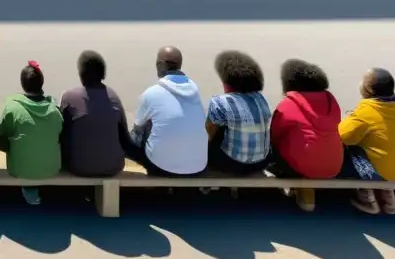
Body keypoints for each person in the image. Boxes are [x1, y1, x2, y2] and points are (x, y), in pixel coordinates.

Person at [339, 68, 395, 215]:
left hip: (382, 172)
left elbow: (342, 137)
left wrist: (351, 118)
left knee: (351, 151)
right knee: (382, 150)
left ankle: (369, 201)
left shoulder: (366, 112)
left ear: (367, 89)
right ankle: (390, 202)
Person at [268, 59, 343, 212]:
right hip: (333, 167)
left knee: (272, 152)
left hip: (300, 166)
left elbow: (274, 135)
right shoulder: (331, 101)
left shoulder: (288, 103)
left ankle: (301, 188)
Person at [126, 46, 207, 177]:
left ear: (160, 64)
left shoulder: (151, 93)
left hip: (161, 168)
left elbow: (137, 133)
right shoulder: (195, 91)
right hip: (197, 167)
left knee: (142, 129)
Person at [0, 61, 63, 206]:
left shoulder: (13, 106)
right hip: (51, 168)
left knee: (8, 134)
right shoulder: (54, 110)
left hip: (19, 169)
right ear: (41, 83)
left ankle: (29, 187)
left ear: (23, 84)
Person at [60, 51, 130, 177]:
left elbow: (60, 134)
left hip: (79, 167)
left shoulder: (70, 97)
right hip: (113, 167)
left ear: (81, 73)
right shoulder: (113, 97)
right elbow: (125, 137)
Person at [205, 50, 272, 175]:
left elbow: (208, 134)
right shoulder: (260, 99)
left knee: (216, 129)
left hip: (233, 164)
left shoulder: (220, 102)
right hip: (261, 163)